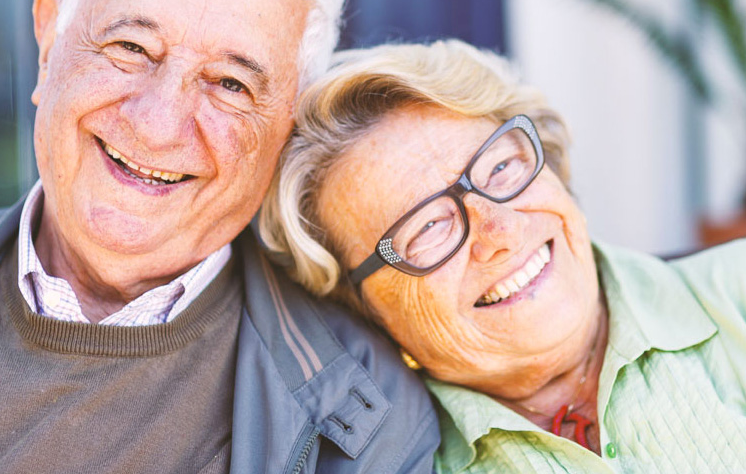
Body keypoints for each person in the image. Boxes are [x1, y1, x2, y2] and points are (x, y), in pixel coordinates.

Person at [0, 0, 439, 473]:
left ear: (289, 131)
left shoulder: (369, 423)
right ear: (49, 43)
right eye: (131, 47)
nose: (157, 125)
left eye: (231, 84)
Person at [261, 38, 746, 472]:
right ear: (364, 306)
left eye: (500, 167)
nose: (502, 230)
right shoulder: (400, 463)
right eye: (427, 227)